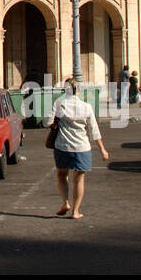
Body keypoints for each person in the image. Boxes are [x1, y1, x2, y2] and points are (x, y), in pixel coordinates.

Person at [48, 78, 109, 220]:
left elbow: (46, 122)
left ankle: (65, 203)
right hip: (82, 147)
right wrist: (102, 150)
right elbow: (94, 130)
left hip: (62, 146)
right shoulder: (87, 107)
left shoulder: (59, 104)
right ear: (79, 90)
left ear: (65, 90)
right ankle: (75, 211)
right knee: (79, 179)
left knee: (61, 175)